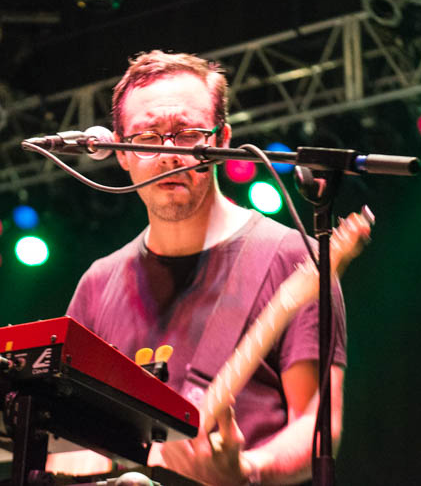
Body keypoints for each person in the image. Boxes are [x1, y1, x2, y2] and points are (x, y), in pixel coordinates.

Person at [65, 51, 354, 486]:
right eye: (145, 137)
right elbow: (62, 437)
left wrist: (247, 470)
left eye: (187, 135)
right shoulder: (97, 283)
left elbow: (316, 424)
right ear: (119, 152)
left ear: (221, 140)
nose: (167, 154)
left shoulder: (292, 258)